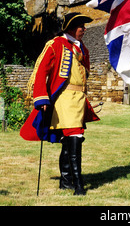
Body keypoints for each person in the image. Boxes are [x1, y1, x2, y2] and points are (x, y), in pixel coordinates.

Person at [20, 12, 100, 195]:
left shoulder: (82, 48)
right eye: (82, 26)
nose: (85, 30)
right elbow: (41, 71)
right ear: (72, 27)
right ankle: (79, 184)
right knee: (75, 135)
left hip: (79, 99)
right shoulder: (56, 44)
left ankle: (66, 181)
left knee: (70, 139)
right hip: (64, 97)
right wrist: (41, 97)